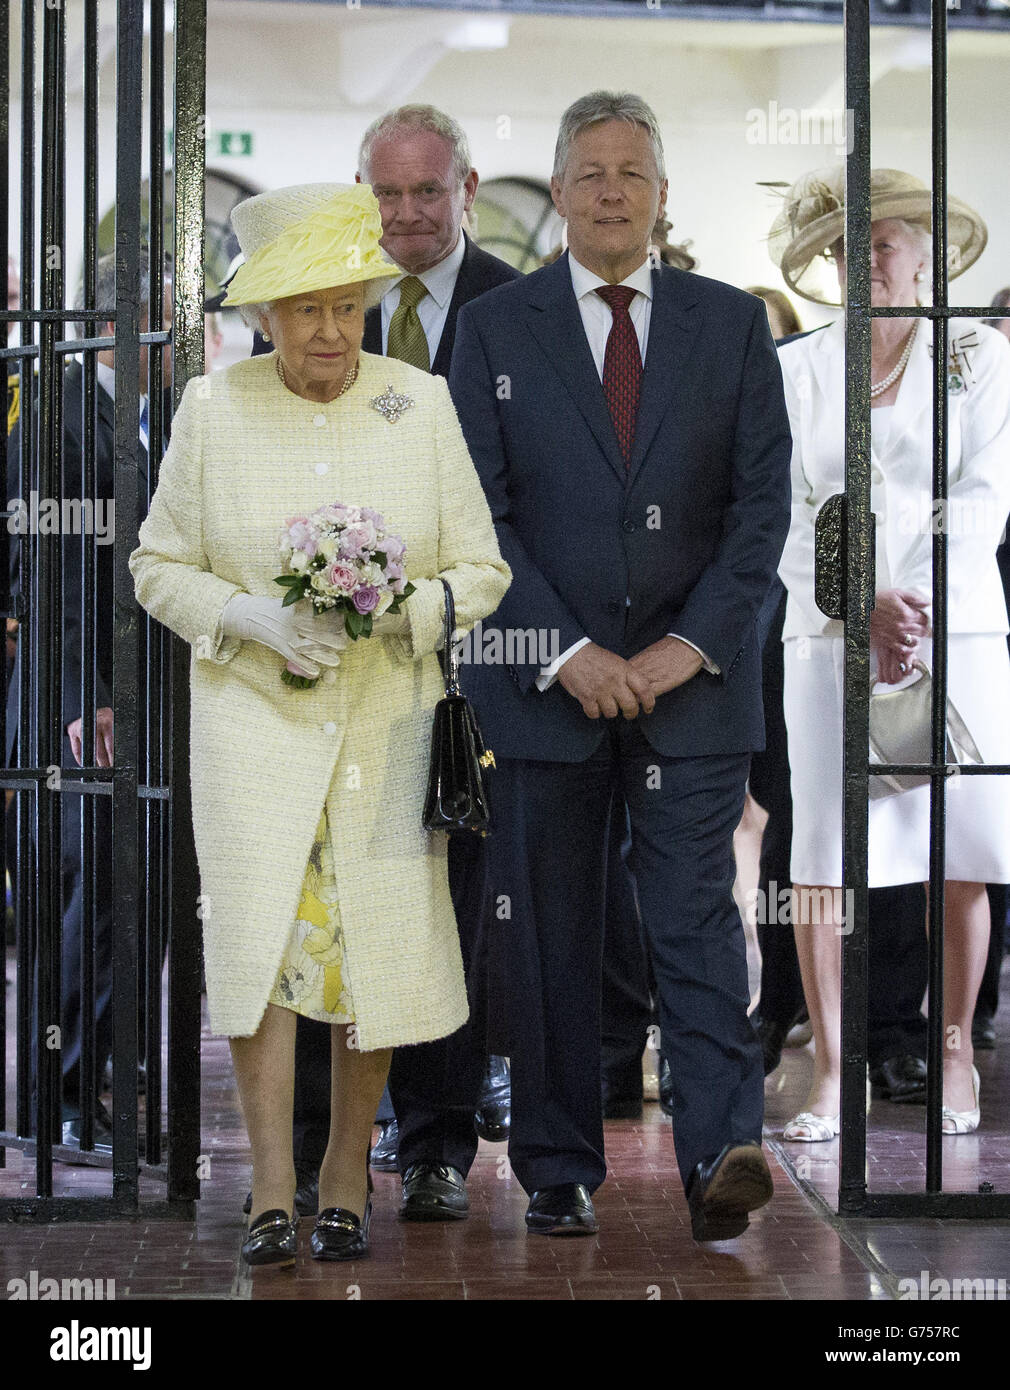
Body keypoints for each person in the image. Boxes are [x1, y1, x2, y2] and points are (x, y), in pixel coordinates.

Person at [129, 182, 510, 1267]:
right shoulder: (215, 409)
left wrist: (405, 611)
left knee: (363, 960)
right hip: (251, 729)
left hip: (384, 728)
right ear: (263, 317)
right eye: (306, 311)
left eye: (348, 306)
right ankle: (268, 1186)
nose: (331, 332)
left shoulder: (415, 403)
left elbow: (480, 569)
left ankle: (346, 1176)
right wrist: (241, 615)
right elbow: (155, 565)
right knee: (258, 952)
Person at [449, 91, 792, 1241]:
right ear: (555, 192)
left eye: (630, 173)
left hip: (690, 690)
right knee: (543, 928)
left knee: (694, 918)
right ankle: (555, 1166)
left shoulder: (728, 324)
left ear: (660, 196)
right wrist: (568, 651)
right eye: (588, 172)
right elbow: (475, 514)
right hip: (543, 688)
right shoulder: (496, 329)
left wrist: (682, 648)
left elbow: (759, 514)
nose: (609, 191)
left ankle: (718, 1155)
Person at [772, 166, 1010, 1140]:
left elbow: (987, 493)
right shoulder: (795, 367)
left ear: (923, 249)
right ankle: (832, 1071)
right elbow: (782, 511)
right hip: (825, 636)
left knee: (961, 849)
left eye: (883, 240)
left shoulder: (977, 356)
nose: (863, 256)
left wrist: (910, 604)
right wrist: (856, 600)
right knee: (823, 853)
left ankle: (952, 1049)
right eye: (846, 244)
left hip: (954, 630)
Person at [6, 251, 170, 1149]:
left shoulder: (159, 417)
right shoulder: (56, 418)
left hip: (145, 696)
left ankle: (105, 1073)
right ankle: (59, 1095)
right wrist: (88, 699)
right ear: (117, 325)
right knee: (89, 896)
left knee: (132, 898)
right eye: (165, 315)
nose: (177, 335)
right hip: (82, 704)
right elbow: (55, 582)